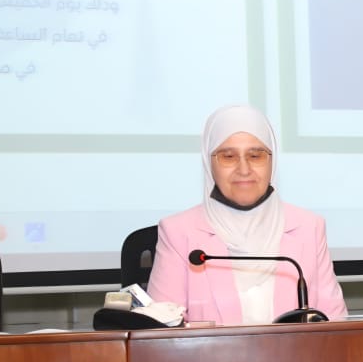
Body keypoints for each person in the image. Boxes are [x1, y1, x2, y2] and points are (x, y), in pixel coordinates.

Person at [147, 104, 347, 324]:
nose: (244, 169)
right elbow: (161, 331)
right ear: (208, 162)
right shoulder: (177, 232)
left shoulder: (309, 227)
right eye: (228, 156)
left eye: (255, 156)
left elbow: (335, 323)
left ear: (272, 160)